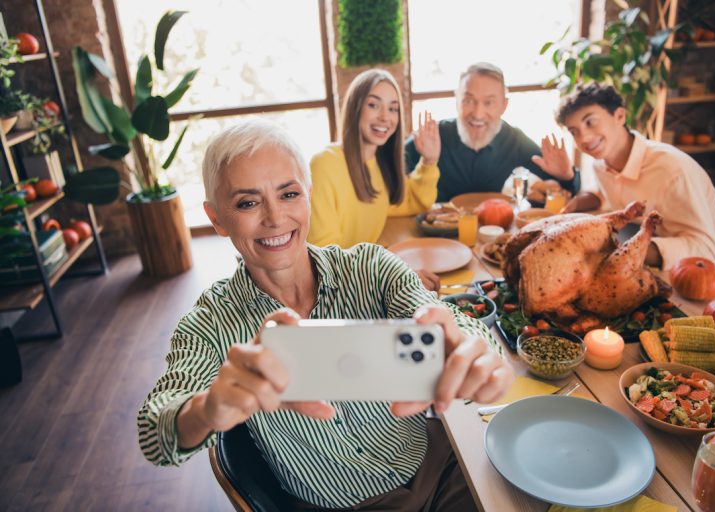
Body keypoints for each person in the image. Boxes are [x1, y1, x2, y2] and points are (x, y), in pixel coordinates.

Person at [137, 120, 513, 511]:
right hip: (344, 503)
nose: (275, 217)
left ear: (309, 196)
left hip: (440, 466)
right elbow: (153, 434)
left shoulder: (370, 267)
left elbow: (451, 326)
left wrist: (473, 349)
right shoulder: (210, 323)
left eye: (289, 194)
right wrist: (206, 409)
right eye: (247, 203)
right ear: (216, 218)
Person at [556, 83, 715, 271]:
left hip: (699, 276)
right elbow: (603, 194)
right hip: (641, 267)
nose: (584, 138)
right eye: (574, 132)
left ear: (619, 116)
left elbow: (705, 250)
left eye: (590, 122)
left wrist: (628, 250)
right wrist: (576, 204)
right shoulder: (600, 164)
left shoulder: (673, 170)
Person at [405, 62, 579, 202]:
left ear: (504, 105)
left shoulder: (515, 141)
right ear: (457, 100)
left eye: (488, 103)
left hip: (495, 229)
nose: (478, 114)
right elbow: (392, 169)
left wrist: (567, 176)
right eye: (468, 100)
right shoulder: (433, 136)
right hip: (433, 230)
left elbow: (566, 192)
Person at [308, 69, 441, 249]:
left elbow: (412, 201)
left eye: (393, 109)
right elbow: (323, 253)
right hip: (350, 268)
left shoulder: (379, 164)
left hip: (369, 264)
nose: (385, 117)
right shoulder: (324, 165)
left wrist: (429, 161)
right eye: (373, 105)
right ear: (355, 108)